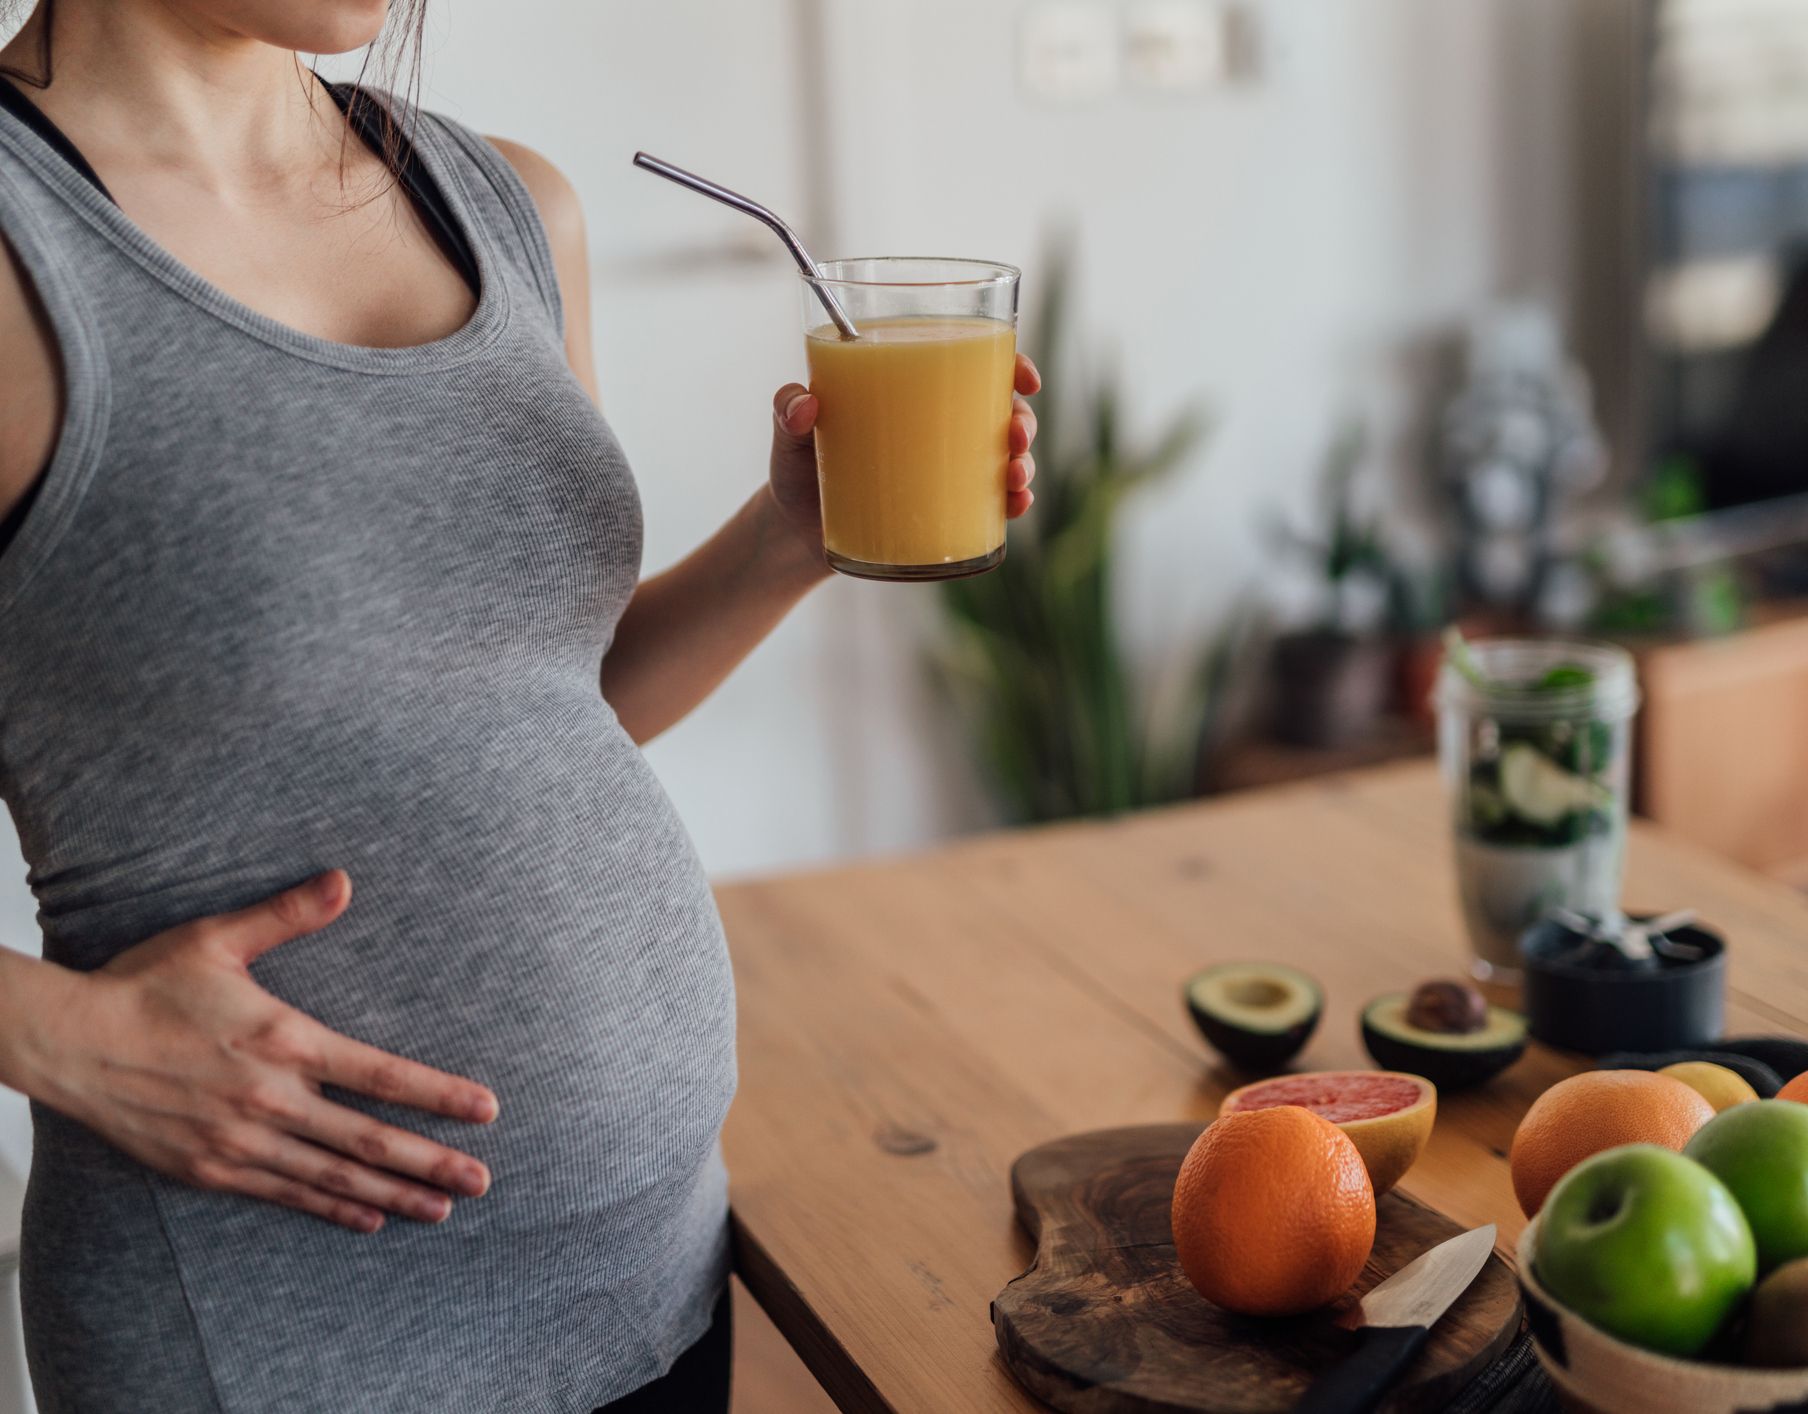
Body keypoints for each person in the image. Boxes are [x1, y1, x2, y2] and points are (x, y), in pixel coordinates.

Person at [0, 1, 1041, 1409]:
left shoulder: (504, 205)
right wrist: (60, 1038)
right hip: (280, 1344)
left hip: (647, 1279)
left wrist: (785, 541)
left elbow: (545, 696)